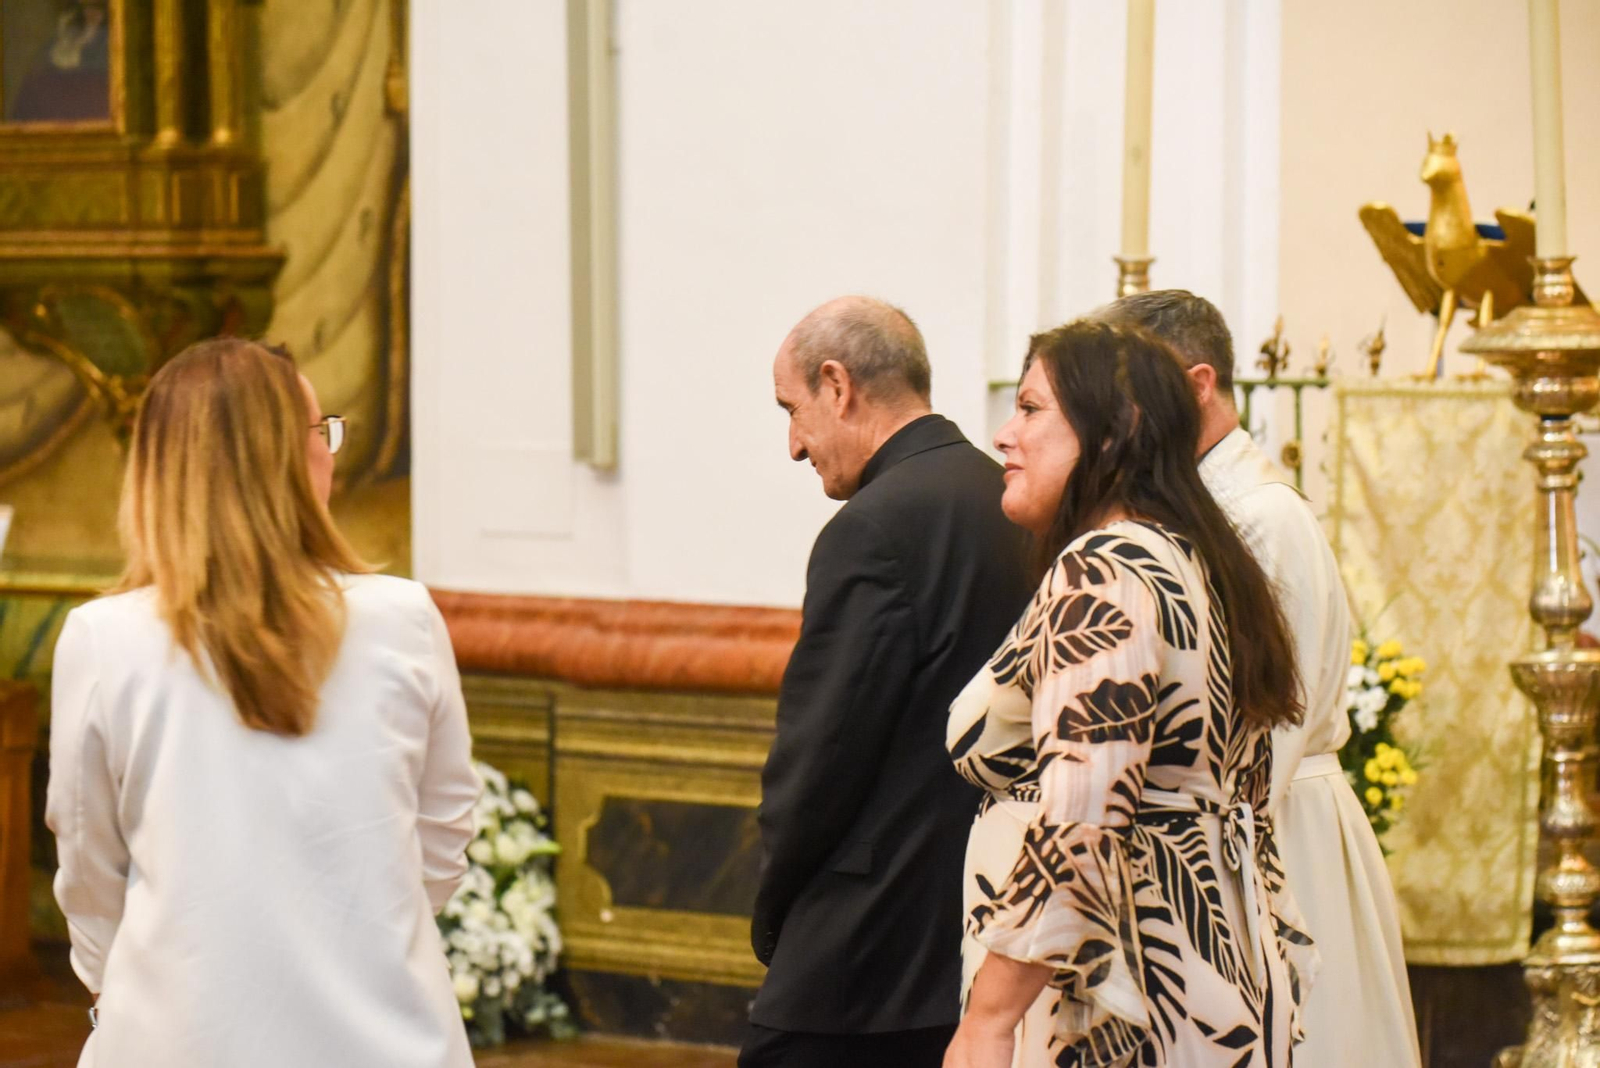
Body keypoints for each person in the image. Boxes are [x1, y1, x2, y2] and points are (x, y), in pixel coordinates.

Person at [46, 338, 479, 1068]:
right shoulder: (403, 617)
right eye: (320, 432)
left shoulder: (104, 637)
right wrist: (356, 934)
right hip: (388, 1036)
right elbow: (442, 835)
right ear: (280, 459)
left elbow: (89, 868)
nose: (331, 454)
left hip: (174, 1035)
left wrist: (138, 982)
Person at [945, 320, 1317, 1068]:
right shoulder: (1200, 561)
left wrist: (988, 1019)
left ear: (1113, 434)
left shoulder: (1104, 568)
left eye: (1030, 408)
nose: (1003, 435)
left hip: (1117, 995)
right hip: (1205, 973)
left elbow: (1082, 812)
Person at [1100, 290, 1421, 1067]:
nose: (1112, 418)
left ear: (1198, 383)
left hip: (1273, 834)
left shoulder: (1261, 520)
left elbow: (1266, 721)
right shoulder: (1205, 507)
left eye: (1125, 393)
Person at [746, 296, 1032, 1067]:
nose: (795, 446)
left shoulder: (871, 528)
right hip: (985, 925)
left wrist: (774, 905)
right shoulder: (1009, 499)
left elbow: (821, 753)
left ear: (837, 386)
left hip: (864, 950)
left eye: (793, 409)